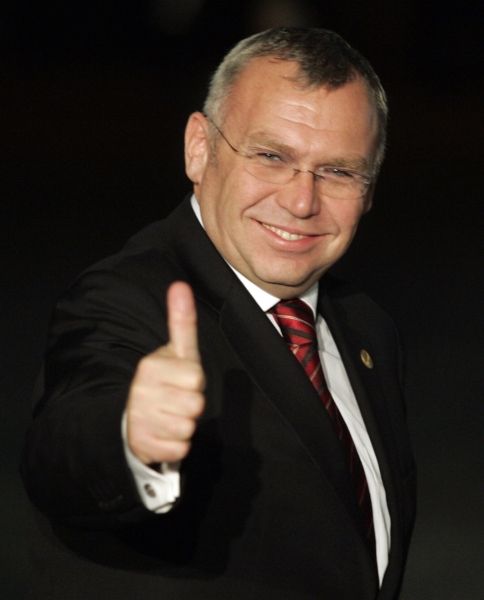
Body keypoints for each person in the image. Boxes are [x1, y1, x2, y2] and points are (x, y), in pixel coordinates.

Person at [21, 27, 416, 600]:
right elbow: (66, 445)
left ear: (371, 188)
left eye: (338, 172)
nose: (302, 201)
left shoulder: (367, 327)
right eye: (271, 156)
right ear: (199, 148)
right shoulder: (127, 297)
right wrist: (130, 439)